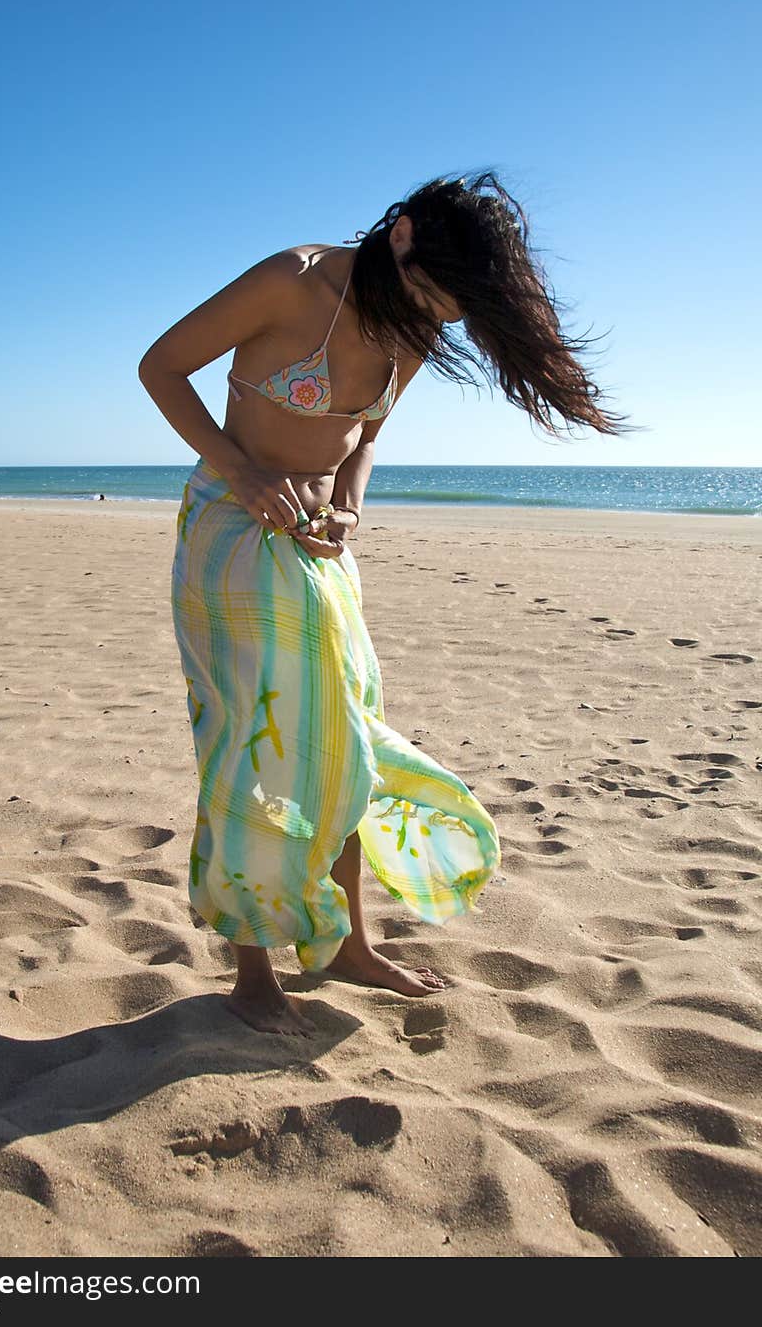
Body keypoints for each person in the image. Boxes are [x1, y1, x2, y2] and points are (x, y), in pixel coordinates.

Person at [139, 172, 631, 1036]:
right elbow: (162, 367)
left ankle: (348, 944)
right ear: (400, 235)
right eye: (435, 295)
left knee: (344, 742)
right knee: (258, 744)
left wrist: (351, 505)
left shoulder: (410, 329)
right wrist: (246, 474)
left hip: (318, 548)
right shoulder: (291, 280)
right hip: (232, 534)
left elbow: (363, 439)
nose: (438, 317)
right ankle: (254, 973)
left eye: (453, 309)